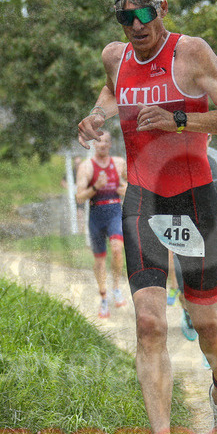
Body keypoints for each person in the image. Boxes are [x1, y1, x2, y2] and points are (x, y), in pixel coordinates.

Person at [76, 0, 217, 434]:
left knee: (208, 325)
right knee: (150, 325)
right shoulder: (115, 56)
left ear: (163, 9)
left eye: (144, 13)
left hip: (194, 199)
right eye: (125, 17)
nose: (136, 25)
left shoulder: (191, 53)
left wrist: (179, 120)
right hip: (143, 199)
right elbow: (113, 89)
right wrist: (97, 115)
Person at [176, 135, 217, 348]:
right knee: (184, 288)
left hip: (214, 231)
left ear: (210, 137)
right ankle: (188, 313)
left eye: (204, 136)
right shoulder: (177, 158)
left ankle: (213, 343)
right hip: (183, 232)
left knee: (216, 291)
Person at [74, 130, 128, 318]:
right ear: (94, 144)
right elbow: (79, 197)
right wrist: (96, 186)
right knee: (99, 260)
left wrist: (125, 189)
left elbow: (133, 185)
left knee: (117, 249)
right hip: (96, 214)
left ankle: (116, 288)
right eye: (99, 141)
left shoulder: (119, 163)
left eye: (106, 141)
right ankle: (104, 297)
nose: (102, 144)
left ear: (110, 144)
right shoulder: (86, 167)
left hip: (114, 211)